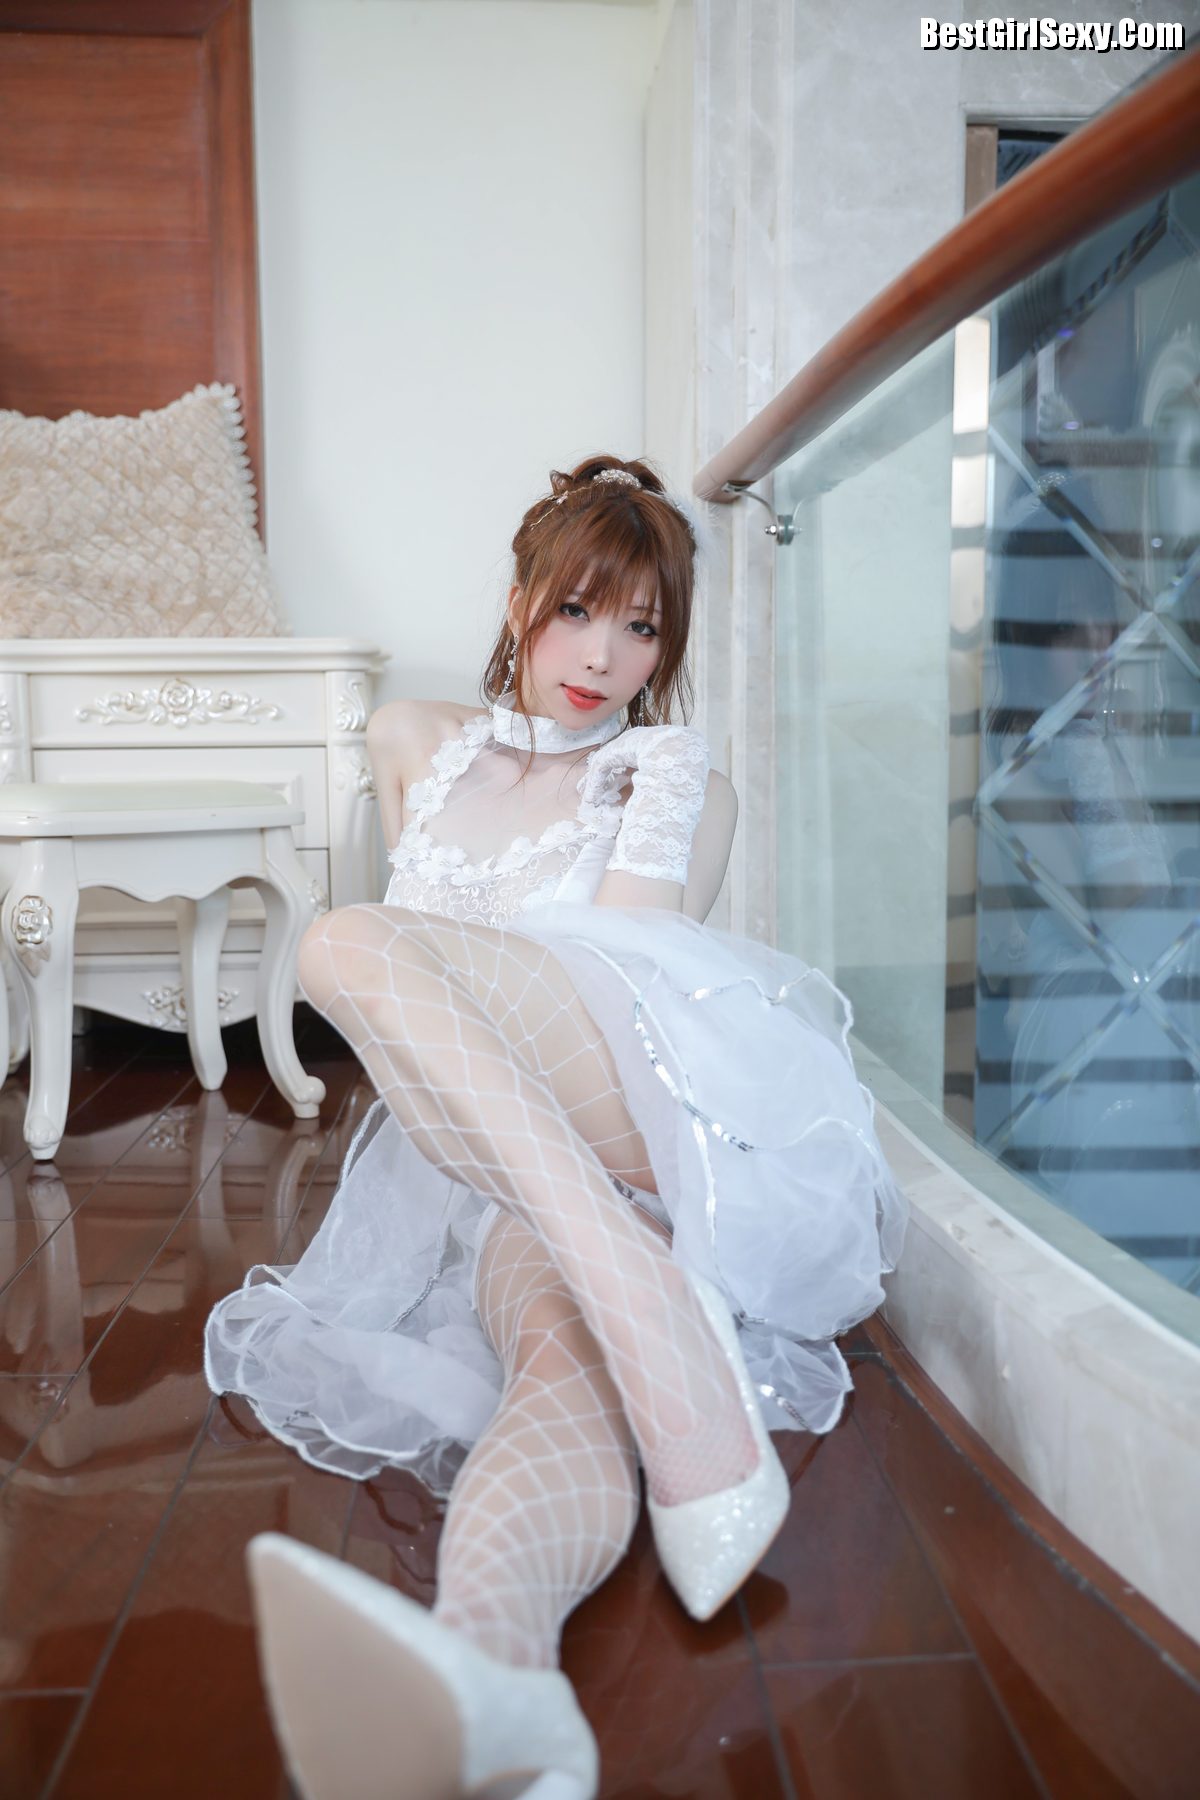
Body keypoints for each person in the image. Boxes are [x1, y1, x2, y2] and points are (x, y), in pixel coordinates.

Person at [204, 455, 908, 1800]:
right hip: (488, 1168)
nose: (603, 657)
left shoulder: (665, 769)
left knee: (343, 941)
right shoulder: (415, 740)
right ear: (524, 595)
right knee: (556, 1372)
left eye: (641, 628)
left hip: (621, 1118)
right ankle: (501, 1679)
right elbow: (424, 1015)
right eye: (580, 609)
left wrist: (650, 788)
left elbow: (632, 985)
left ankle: (643, 1289)